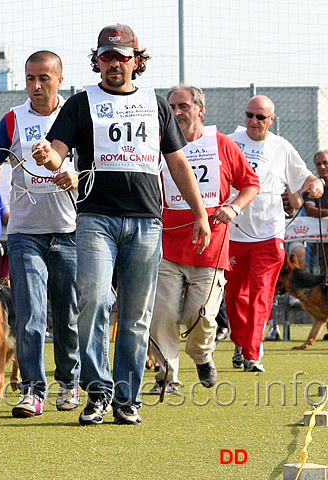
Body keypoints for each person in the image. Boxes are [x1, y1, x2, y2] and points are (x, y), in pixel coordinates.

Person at [32, 25, 211, 426]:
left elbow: (178, 163)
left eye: (121, 56)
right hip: (95, 217)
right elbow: (58, 152)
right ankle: (98, 392)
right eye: (107, 56)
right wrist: (49, 157)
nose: (114, 63)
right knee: (94, 301)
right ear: (97, 59)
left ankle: (127, 399)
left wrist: (200, 213)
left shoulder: (156, 103)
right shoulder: (80, 103)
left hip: (147, 221)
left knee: (136, 314)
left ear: (136, 60)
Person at [0, 50, 81, 418]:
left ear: (59, 78)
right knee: (29, 313)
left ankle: (69, 383)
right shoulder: (13, 119)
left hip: (68, 229)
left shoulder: (76, 114)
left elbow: (91, 163)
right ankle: (32, 390)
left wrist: (71, 173)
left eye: (44, 78)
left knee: (68, 313)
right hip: (25, 231)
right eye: (30, 78)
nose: (36, 85)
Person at [148, 85, 260, 394]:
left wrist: (234, 207)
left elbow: (250, 183)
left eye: (183, 106)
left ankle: (201, 354)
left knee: (199, 316)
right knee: (162, 316)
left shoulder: (222, 145)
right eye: (171, 107)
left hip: (210, 247)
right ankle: (166, 377)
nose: (177, 112)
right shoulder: (157, 148)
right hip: (167, 246)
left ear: (200, 110)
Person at [227, 95, 324, 372]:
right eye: (249, 115)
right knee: (235, 297)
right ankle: (239, 341)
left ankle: (252, 352)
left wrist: (315, 183)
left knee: (262, 293)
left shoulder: (281, 146)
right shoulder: (229, 140)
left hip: (269, 233)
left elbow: (304, 175)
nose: (253, 121)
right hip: (234, 231)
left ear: (271, 120)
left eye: (260, 117)